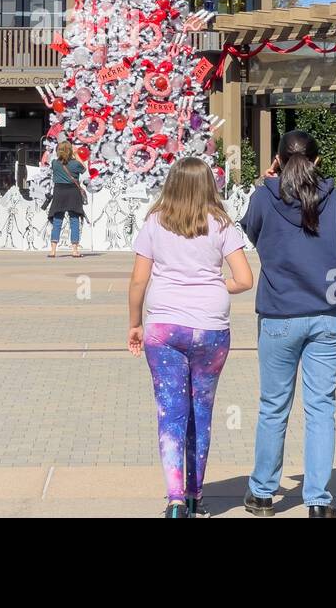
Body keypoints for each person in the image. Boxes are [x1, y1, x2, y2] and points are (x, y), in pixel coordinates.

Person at [240, 131, 336, 519]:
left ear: (277, 160)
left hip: (279, 315)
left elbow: (249, 233)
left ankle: (262, 494)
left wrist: (269, 184)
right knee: (321, 408)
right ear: (318, 161)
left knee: (273, 406)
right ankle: (317, 500)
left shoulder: (264, 197)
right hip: (328, 317)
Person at [126, 157, 254, 518]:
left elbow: (138, 281)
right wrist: (214, 285)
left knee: (171, 412)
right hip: (211, 326)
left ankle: (175, 500)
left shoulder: (155, 221)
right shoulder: (222, 223)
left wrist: (134, 323)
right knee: (202, 410)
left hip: (164, 325)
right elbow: (244, 279)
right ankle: (196, 494)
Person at [47, 140, 87, 258]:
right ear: (70, 151)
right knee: (74, 220)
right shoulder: (75, 164)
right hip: (73, 193)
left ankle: (53, 250)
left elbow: (56, 161)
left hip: (59, 192)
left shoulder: (55, 163)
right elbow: (84, 168)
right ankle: (74, 250)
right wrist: (76, 154)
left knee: (57, 220)